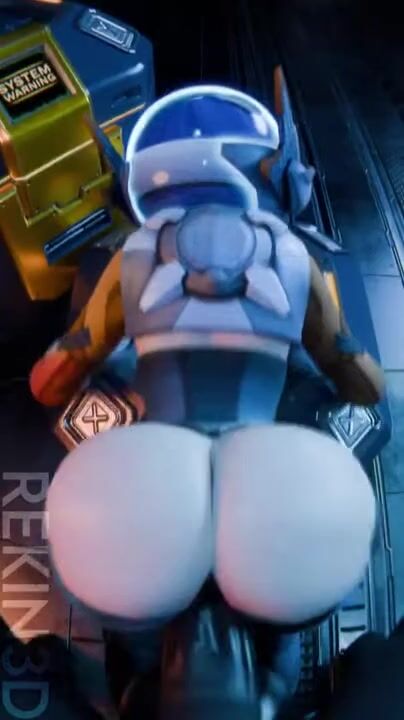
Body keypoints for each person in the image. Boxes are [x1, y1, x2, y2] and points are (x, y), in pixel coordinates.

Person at [29, 81, 384, 696]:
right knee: (289, 607)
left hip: (151, 481)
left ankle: (140, 665)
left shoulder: (132, 257)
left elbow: (49, 384)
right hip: (277, 486)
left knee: (130, 611)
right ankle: (277, 659)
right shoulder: (296, 260)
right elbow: (363, 387)